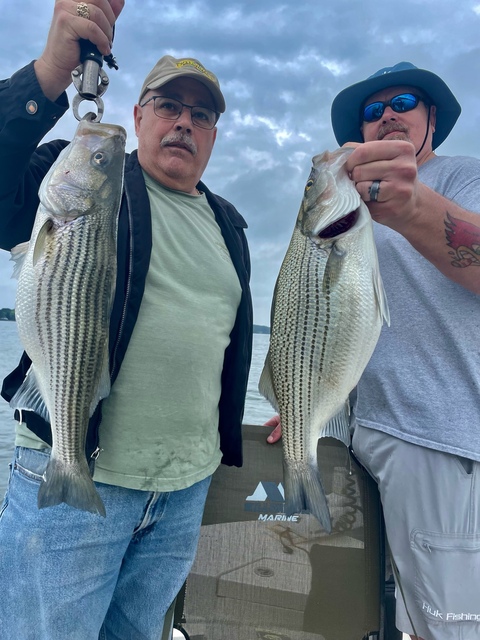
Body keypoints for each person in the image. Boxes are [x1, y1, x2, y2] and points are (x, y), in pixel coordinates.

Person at [0, 1, 252, 639]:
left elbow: (220, 339)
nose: (183, 124)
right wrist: (51, 74)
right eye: (168, 106)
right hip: (77, 475)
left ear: (214, 135)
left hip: (184, 489)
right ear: (137, 116)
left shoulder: (230, 224)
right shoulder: (76, 178)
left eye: (201, 115)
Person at [267, 61, 480, 640]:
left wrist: (413, 209)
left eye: (404, 102)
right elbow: (340, 325)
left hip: (435, 437)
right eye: (371, 111)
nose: (387, 114)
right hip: (353, 437)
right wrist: (302, 394)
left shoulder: (465, 179)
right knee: (347, 609)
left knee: (448, 624)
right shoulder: (354, 214)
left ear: (431, 118)